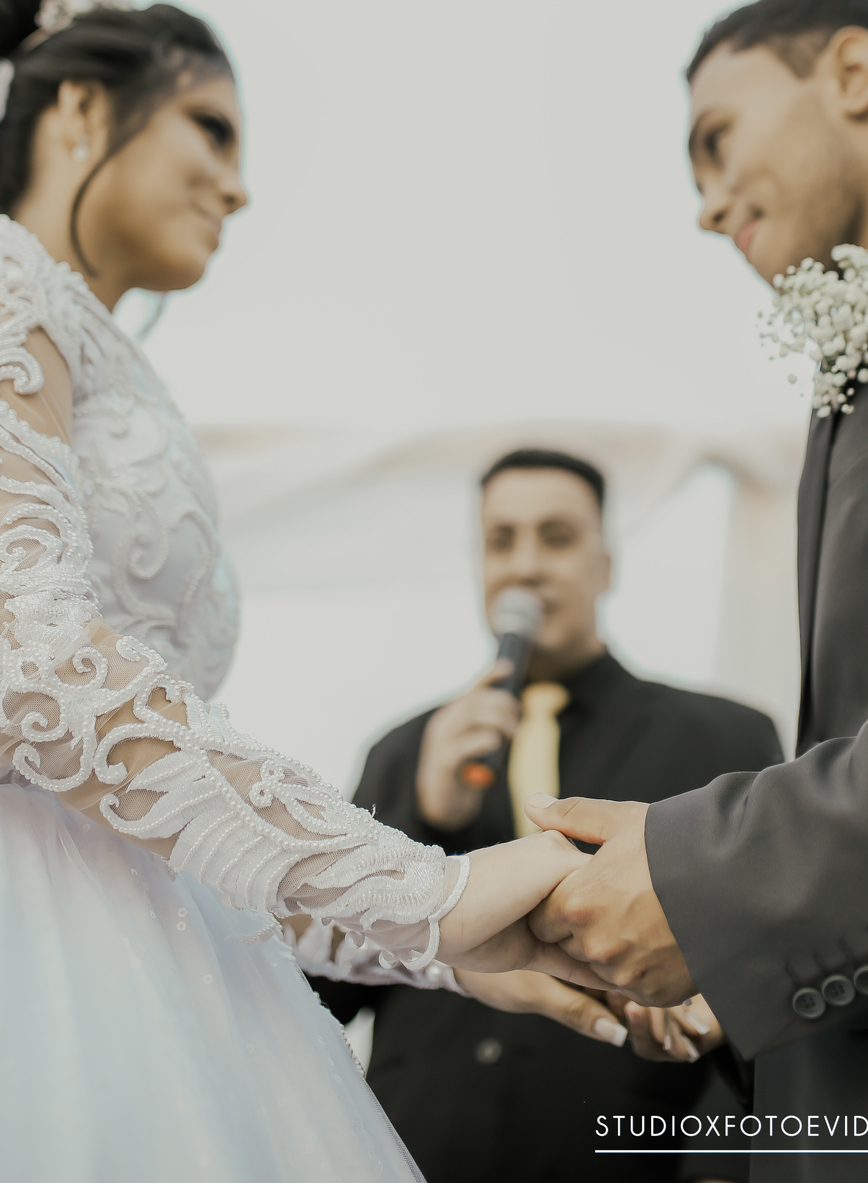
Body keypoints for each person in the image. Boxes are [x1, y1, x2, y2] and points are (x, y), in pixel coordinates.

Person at [0, 0, 619, 1183]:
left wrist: (436, 945)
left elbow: (144, 783)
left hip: (161, 963)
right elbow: (24, 666)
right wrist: (420, 891)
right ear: (79, 110)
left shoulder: (82, 348)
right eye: (211, 129)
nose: (238, 185)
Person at [526, 0, 868, 1179]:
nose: (706, 205)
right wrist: (738, 964)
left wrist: (723, 881)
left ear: (852, 73)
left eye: (716, 141)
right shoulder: (846, 379)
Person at [315, 446, 783, 1183]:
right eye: (502, 541)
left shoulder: (724, 737)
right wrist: (424, 817)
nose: (526, 566)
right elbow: (325, 993)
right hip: (419, 1155)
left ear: (607, 564)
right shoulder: (401, 752)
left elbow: (765, 965)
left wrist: (723, 1162)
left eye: (556, 538)